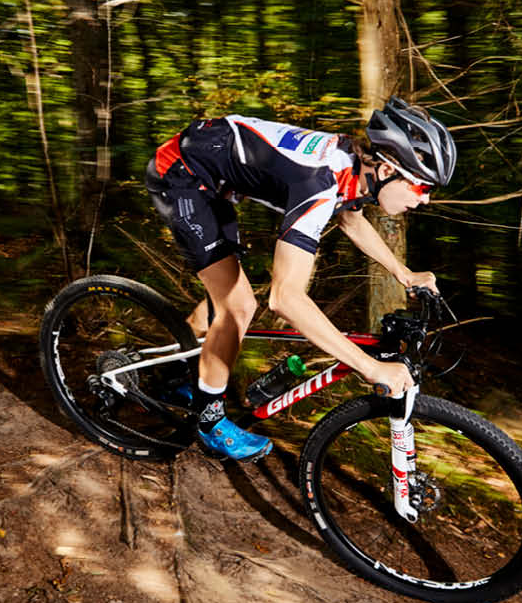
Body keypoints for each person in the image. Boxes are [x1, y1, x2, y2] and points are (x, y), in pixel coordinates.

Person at [145, 96, 457, 460]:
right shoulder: (320, 182)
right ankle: (209, 420)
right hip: (182, 173)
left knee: (225, 292)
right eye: (422, 188)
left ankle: (174, 377)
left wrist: (403, 273)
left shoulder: (354, 167)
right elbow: (285, 299)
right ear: (387, 171)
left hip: (215, 172)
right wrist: (369, 367)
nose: (425, 201)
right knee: (240, 305)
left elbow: (351, 219)